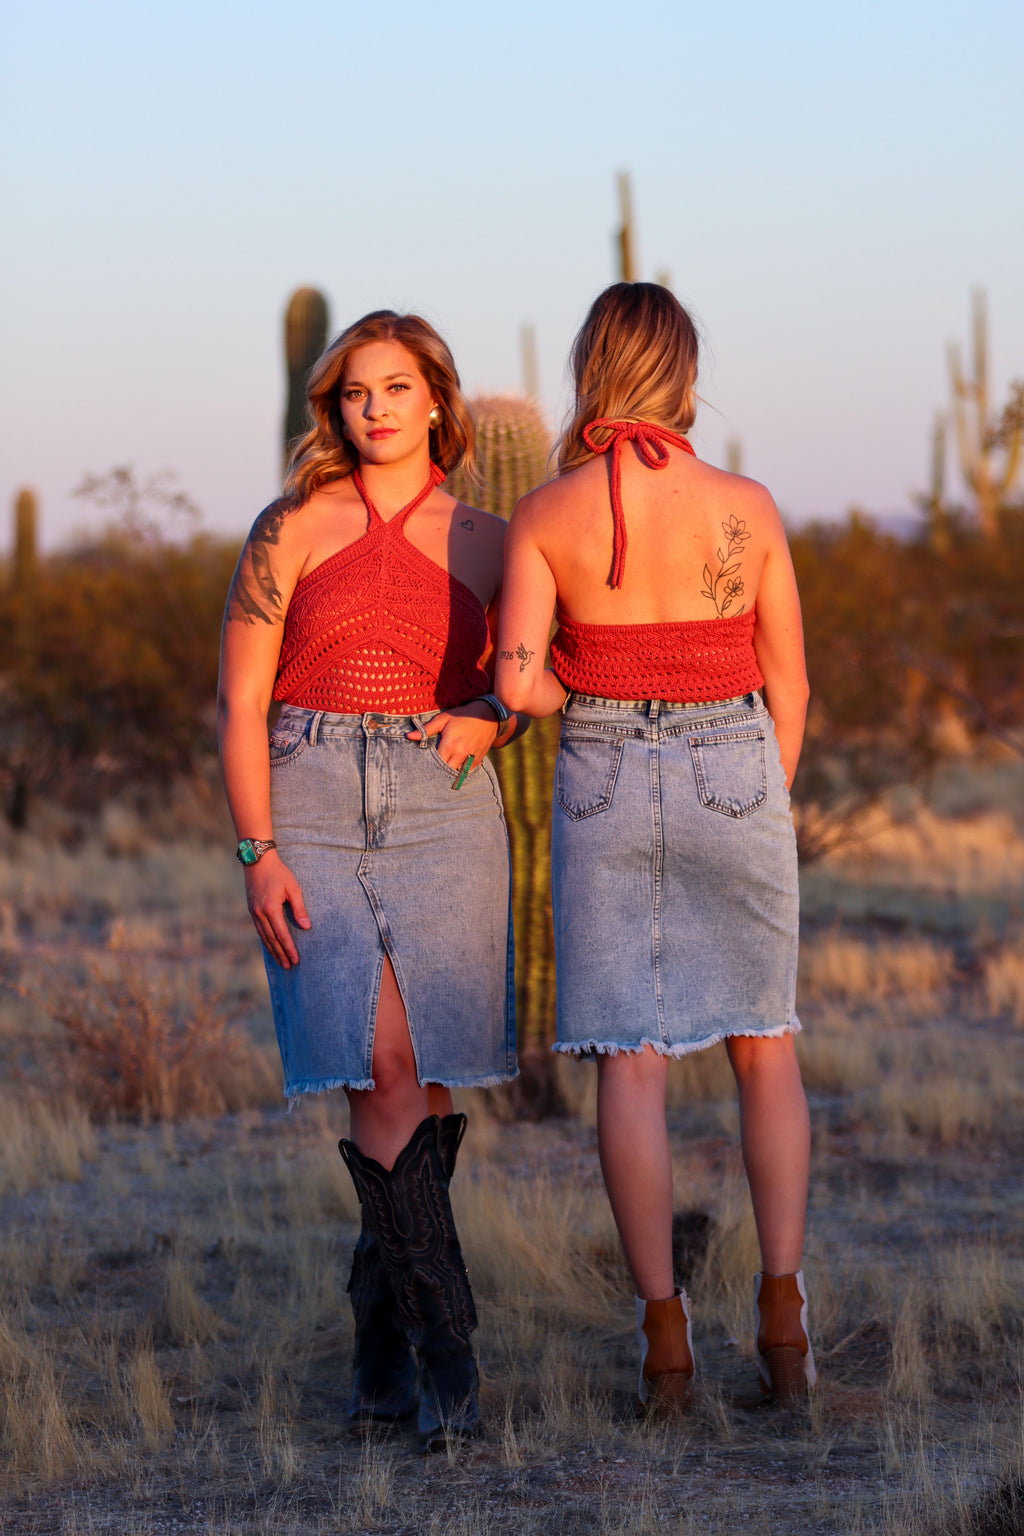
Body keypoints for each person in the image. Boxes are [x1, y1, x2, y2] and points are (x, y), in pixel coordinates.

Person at [495, 282, 814, 1414]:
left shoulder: (545, 513)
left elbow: (516, 683)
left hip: (604, 778)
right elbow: (792, 684)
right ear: (684, 371)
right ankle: (781, 1317)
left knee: (630, 1064)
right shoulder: (748, 505)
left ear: (590, 367)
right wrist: (754, 803)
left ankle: (666, 1343)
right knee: (762, 1046)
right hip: (737, 762)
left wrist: (597, 674)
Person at [217, 309, 522, 1450]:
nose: (377, 407)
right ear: (333, 407)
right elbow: (241, 700)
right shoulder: (289, 526)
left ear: (438, 399)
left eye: (397, 387)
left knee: (428, 1082)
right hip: (308, 793)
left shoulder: (491, 539)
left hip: (442, 806)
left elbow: (536, 676)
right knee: (379, 1064)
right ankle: (454, 1361)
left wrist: (491, 717)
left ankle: (380, 1359)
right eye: (355, 391)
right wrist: (257, 852)